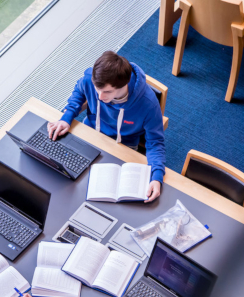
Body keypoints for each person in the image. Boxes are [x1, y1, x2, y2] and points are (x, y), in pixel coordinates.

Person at [48, 51, 166, 203]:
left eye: (107, 92)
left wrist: (156, 177)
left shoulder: (148, 105)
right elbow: (79, 91)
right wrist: (66, 118)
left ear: (124, 84)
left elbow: (155, 143)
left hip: (124, 146)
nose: (100, 97)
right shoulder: (91, 79)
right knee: (66, 184)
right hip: (91, 134)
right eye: (98, 89)